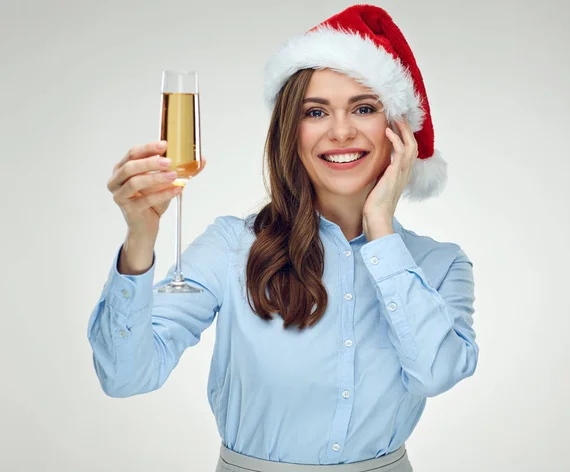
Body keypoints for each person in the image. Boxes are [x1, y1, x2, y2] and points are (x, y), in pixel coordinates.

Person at [87, 4, 478, 472]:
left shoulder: (441, 264)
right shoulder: (231, 246)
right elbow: (125, 375)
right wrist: (139, 240)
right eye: (316, 112)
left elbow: (436, 374)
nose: (340, 131)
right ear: (291, 132)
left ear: (399, 132)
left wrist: (380, 227)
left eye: (364, 108)